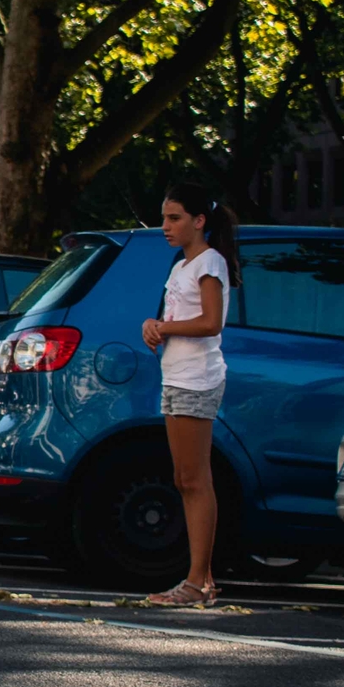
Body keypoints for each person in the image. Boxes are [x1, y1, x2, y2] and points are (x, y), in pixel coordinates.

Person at [139, 183, 238, 607]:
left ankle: (198, 583)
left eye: (174, 217)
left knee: (196, 480)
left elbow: (212, 322)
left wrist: (166, 328)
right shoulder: (181, 266)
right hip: (175, 376)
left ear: (199, 221)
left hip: (198, 378)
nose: (166, 226)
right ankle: (202, 580)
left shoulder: (210, 262)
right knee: (184, 479)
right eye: (164, 217)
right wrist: (153, 325)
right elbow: (174, 316)